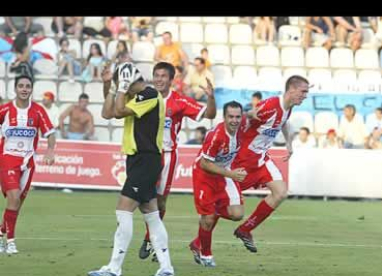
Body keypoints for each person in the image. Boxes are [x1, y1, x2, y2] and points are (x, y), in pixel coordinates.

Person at [101, 61, 217, 261]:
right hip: (144, 154)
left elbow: (208, 114)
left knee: (158, 200)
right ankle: (158, 255)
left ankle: (148, 241)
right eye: (157, 75)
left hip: (167, 154)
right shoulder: (143, 95)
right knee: (147, 201)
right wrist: (109, 84)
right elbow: (112, 109)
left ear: (172, 80)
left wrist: (211, 98)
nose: (159, 79)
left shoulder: (180, 101)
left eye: (164, 76)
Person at [90, 62, 174, 276]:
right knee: (151, 214)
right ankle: (166, 268)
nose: (121, 87)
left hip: (146, 159)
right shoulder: (135, 96)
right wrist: (109, 86)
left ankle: (114, 268)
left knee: (123, 209)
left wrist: (119, 88)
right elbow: (107, 113)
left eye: (121, 82)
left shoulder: (150, 94)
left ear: (128, 81)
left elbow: (118, 112)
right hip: (139, 160)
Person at [231, 75, 309, 253]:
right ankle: (200, 242)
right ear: (291, 90)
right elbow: (244, 117)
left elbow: (283, 122)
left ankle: (245, 229)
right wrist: (249, 114)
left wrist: (289, 143)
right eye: (303, 91)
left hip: (261, 158)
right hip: (244, 159)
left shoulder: (287, 107)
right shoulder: (271, 105)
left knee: (281, 192)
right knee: (225, 204)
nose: (305, 96)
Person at [0, 75, 56, 254]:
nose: (24, 89)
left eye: (27, 86)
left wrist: (50, 151)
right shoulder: (5, 110)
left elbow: (50, 133)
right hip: (8, 159)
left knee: (16, 204)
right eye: (21, 86)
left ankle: (1, 232)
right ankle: (11, 241)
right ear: (15, 89)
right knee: (14, 197)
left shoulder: (38, 111)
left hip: (28, 163)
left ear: (31, 89)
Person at [188, 101, 246, 267]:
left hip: (224, 171)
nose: (234, 120)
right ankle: (206, 254)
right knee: (208, 218)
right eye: (230, 117)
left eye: (237, 116)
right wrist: (231, 174)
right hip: (204, 175)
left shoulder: (242, 128)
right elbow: (205, 164)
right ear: (224, 117)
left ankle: (197, 240)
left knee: (237, 214)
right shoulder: (216, 136)